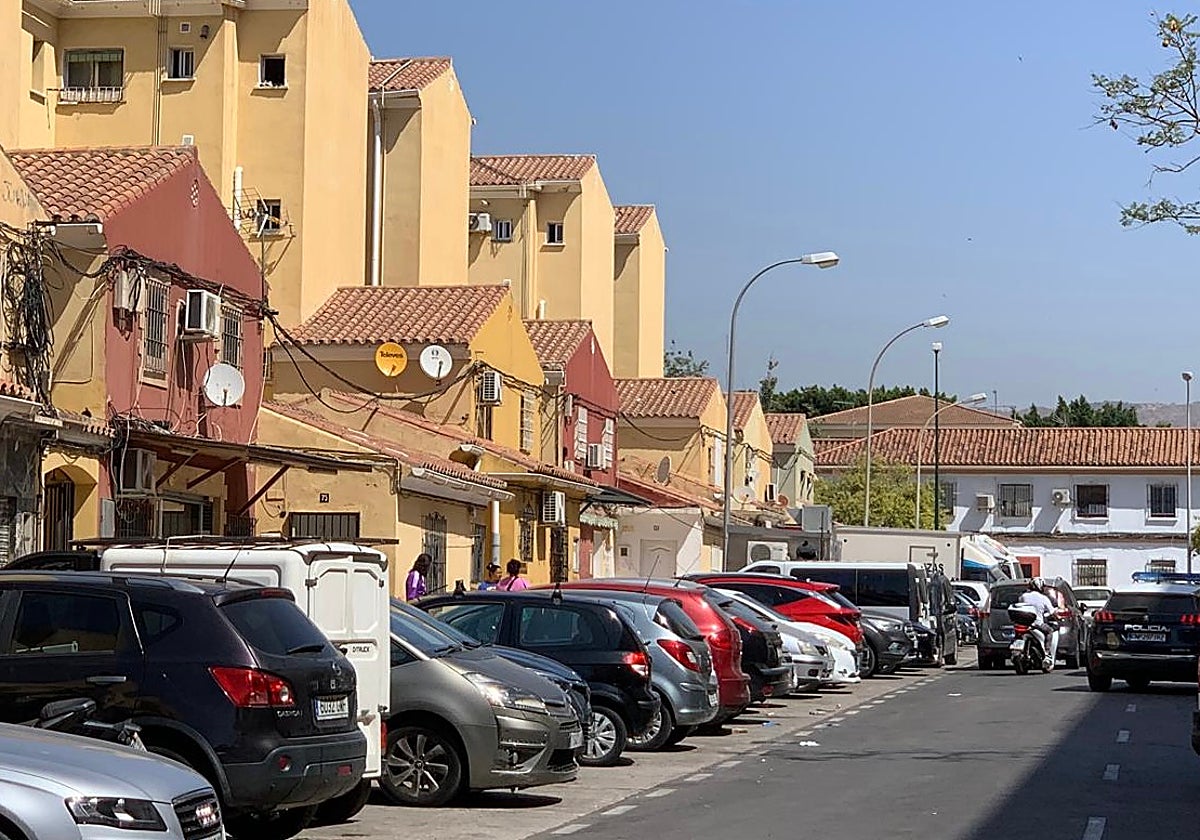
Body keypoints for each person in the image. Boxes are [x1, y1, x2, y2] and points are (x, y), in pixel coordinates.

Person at [1017, 578, 1059, 670]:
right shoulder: (1043, 598)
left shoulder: (1023, 596)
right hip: (1037, 624)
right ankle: (1047, 653)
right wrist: (1058, 618)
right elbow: (1052, 612)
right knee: (1050, 631)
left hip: (1023, 624)